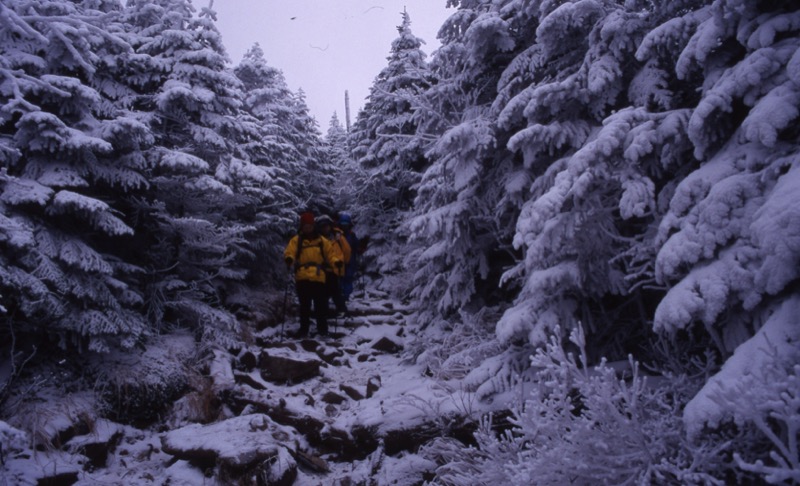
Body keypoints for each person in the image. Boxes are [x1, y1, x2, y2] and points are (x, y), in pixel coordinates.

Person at [283, 211, 342, 337]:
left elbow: (330, 254)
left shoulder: (322, 241)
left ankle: (323, 331)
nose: (307, 228)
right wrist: (289, 259)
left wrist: (336, 262)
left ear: (313, 226)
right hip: (302, 277)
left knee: (320, 305)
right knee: (305, 306)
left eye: (309, 226)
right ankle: (304, 330)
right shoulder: (296, 240)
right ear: (302, 226)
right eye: (305, 226)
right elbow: (290, 252)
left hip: (319, 276)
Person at [316, 214, 350, 317]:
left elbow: (347, 250)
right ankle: (325, 311)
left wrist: (343, 263)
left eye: (326, 225)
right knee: (323, 293)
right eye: (323, 226)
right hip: (321, 270)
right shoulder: (317, 238)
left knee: (335, 291)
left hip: (334, 269)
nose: (325, 228)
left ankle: (341, 310)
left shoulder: (338, 236)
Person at [338, 212, 360, 302]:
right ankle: (341, 295)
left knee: (348, 278)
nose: (344, 227)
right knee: (340, 279)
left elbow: (356, 246)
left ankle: (346, 296)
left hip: (350, 261)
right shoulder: (337, 235)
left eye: (346, 225)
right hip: (339, 261)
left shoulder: (352, 235)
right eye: (343, 225)